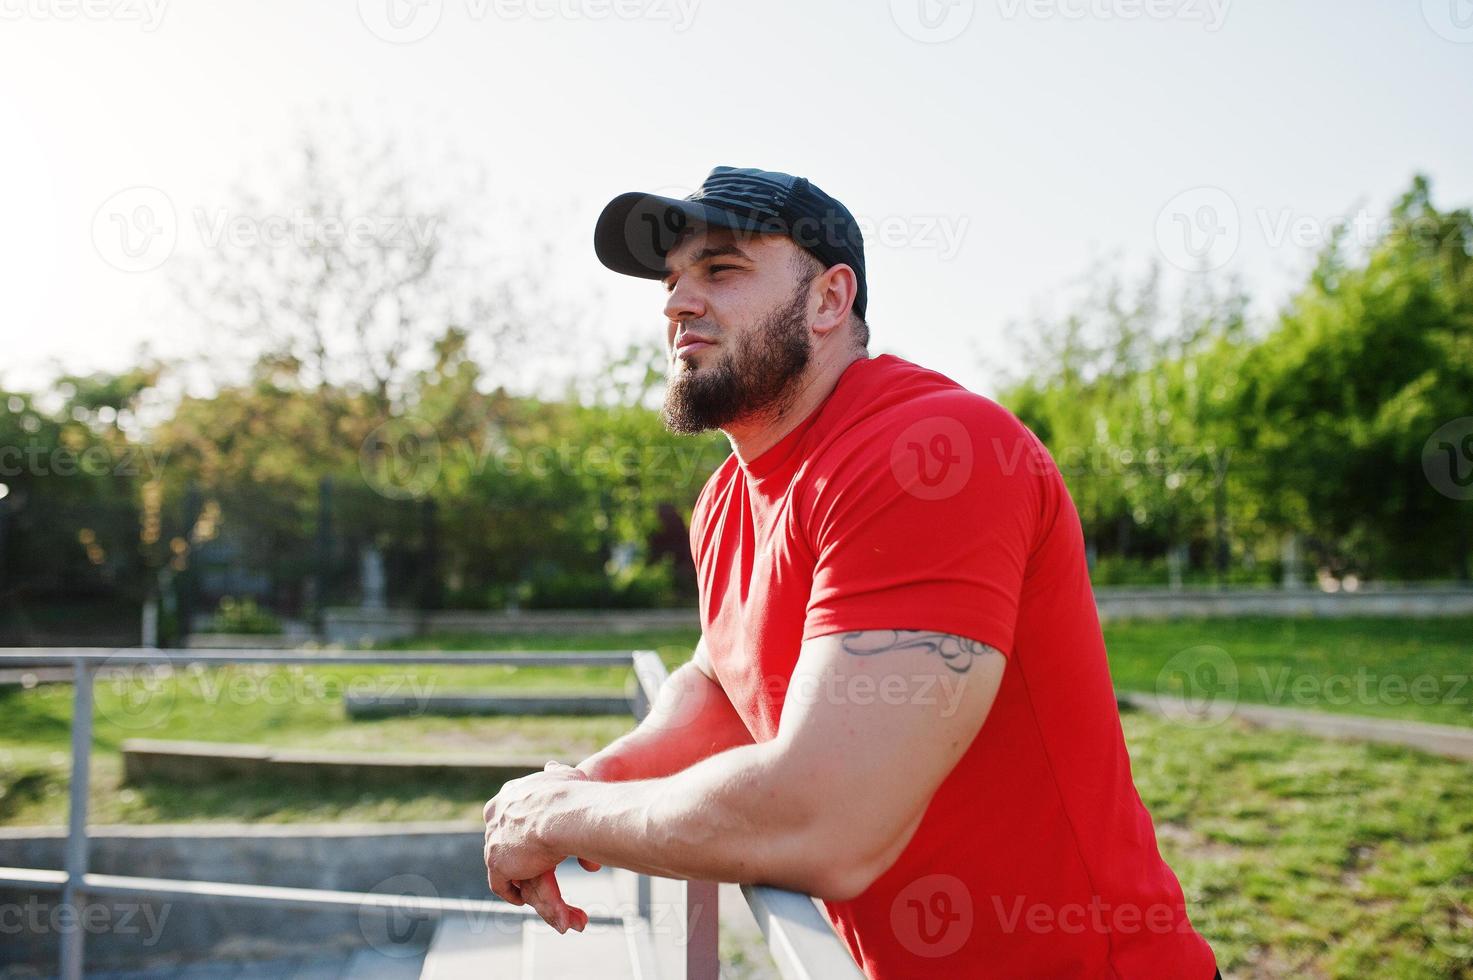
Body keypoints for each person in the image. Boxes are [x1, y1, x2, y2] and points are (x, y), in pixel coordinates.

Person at [482, 166, 1219, 978]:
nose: (677, 304)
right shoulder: (727, 497)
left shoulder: (934, 452)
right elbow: (725, 686)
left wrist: (568, 815)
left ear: (831, 300)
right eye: (671, 280)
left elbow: (824, 821)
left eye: (721, 270)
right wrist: (589, 778)